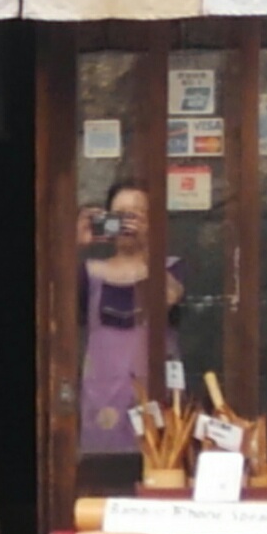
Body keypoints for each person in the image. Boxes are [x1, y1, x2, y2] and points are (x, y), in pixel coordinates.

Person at [76, 179, 182, 454]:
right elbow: (55, 306)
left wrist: (148, 249)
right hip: (101, 402)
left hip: (153, 397)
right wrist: (77, 244)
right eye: (120, 215)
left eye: (136, 215)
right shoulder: (90, 271)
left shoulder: (170, 268)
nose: (128, 223)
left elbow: (169, 298)